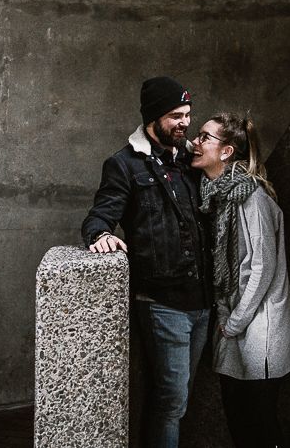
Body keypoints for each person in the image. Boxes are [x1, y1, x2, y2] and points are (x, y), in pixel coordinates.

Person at [81, 76, 211, 448]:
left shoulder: (190, 160)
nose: (184, 123)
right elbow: (99, 217)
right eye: (175, 115)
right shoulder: (123, 164)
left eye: (187, 114)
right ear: (153, 117)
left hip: (202, 302)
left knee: (181, 397)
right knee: (171, 400)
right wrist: (100, 235)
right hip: (162, 304)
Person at [190, 112, 290, 448]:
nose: (196, 142)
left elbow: (262, 267)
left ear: (226, 151)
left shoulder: (252, 197)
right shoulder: (217, 199)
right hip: (233, 323)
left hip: (260, 322)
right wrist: (228, 319)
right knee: (238, 417)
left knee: (260, 424)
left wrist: (233, 321)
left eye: (205, 137)